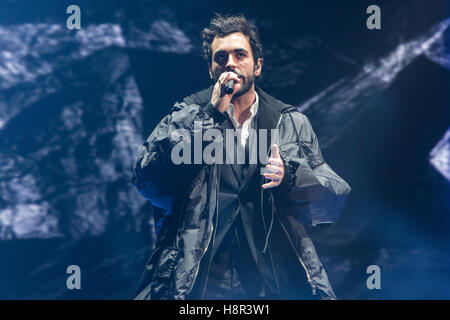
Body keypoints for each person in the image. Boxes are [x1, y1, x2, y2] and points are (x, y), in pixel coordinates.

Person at [132, 14, 351, 300]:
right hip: (197, 284)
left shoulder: (288, 122)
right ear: (212, 69)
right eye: (220, 57)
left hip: (271, 283)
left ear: (257, 66)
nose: (230, 63)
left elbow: (331, 200)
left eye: (240, 55)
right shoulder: (186, 114)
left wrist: (291, 177)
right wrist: (208, 118)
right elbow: (148, 179)